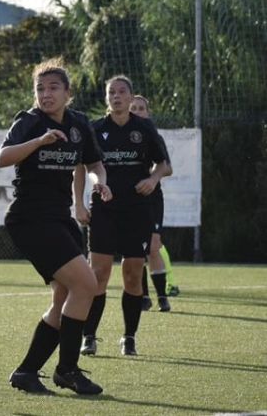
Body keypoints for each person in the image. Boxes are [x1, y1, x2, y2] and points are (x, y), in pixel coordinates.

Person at [0, 58, 111, 395]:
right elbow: (3, 157)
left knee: (65, 295)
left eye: (53, 88)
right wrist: (39, 142)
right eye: (40, 89)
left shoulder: (78, 124)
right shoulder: (29, 122)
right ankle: (67, 370)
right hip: (30, 219)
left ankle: (27, 372)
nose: (46, 94)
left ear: (68, 93)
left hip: (59, 218)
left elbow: (94, 164)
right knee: (87, 285)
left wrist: (99, 182)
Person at [76, 75, 172, 357]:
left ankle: (129, 337)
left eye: (121, 92)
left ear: (131, 97)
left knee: (132, 275)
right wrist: (79, 204)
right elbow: (82, 167)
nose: (116, 96)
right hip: (104, 210)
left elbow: (163, 164)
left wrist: (153, 179)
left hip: (137, 210)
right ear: (107, 98)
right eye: (111, 92)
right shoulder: (95, 129)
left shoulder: (144, 128)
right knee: (98, 274)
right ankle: (89, 336)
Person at [130, 95, 177, 311]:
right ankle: (143, 297)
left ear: (147, 113)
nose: (138, 111)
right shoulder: (119, 134)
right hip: (129, 200)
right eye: (134, 108)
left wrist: (152, 178)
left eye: (141, 108)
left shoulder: (152, 135)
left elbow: (167, 167)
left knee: (154, 247)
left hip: (151, 199)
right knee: (134, 250)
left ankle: (162, 297)